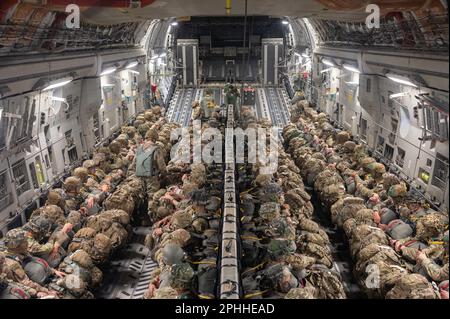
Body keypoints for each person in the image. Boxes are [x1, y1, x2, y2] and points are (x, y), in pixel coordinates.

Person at [1, 229, 64, 298]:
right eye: (25, 241)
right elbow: (25, 282)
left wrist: (53, 271)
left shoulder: (18, 251)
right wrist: (46, 291)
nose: (27, 242)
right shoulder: (12, 264)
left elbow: (35, 259)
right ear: (17, 246)